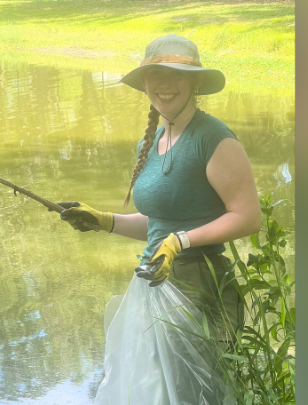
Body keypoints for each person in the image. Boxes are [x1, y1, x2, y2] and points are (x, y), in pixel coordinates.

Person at [53, 34, 261, 404]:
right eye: (155, 74)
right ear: (144, 82)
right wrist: (104, 220)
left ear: (196, 82)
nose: (164, 84)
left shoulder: (213, 138)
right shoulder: (153, 140)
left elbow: (247, 217)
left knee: (197, 395)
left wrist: (179, 241)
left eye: (176, 74)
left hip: (201, 289)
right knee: (154, 393)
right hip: (154, 284)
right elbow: (157, 222)